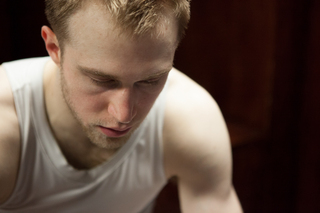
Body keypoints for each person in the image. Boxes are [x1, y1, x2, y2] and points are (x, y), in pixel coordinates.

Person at [0, 0, 243, 212]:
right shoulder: (5, 124)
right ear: (54, 48)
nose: (125, 114)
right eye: (101, 80)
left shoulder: (190, 118)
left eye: (150, 80)